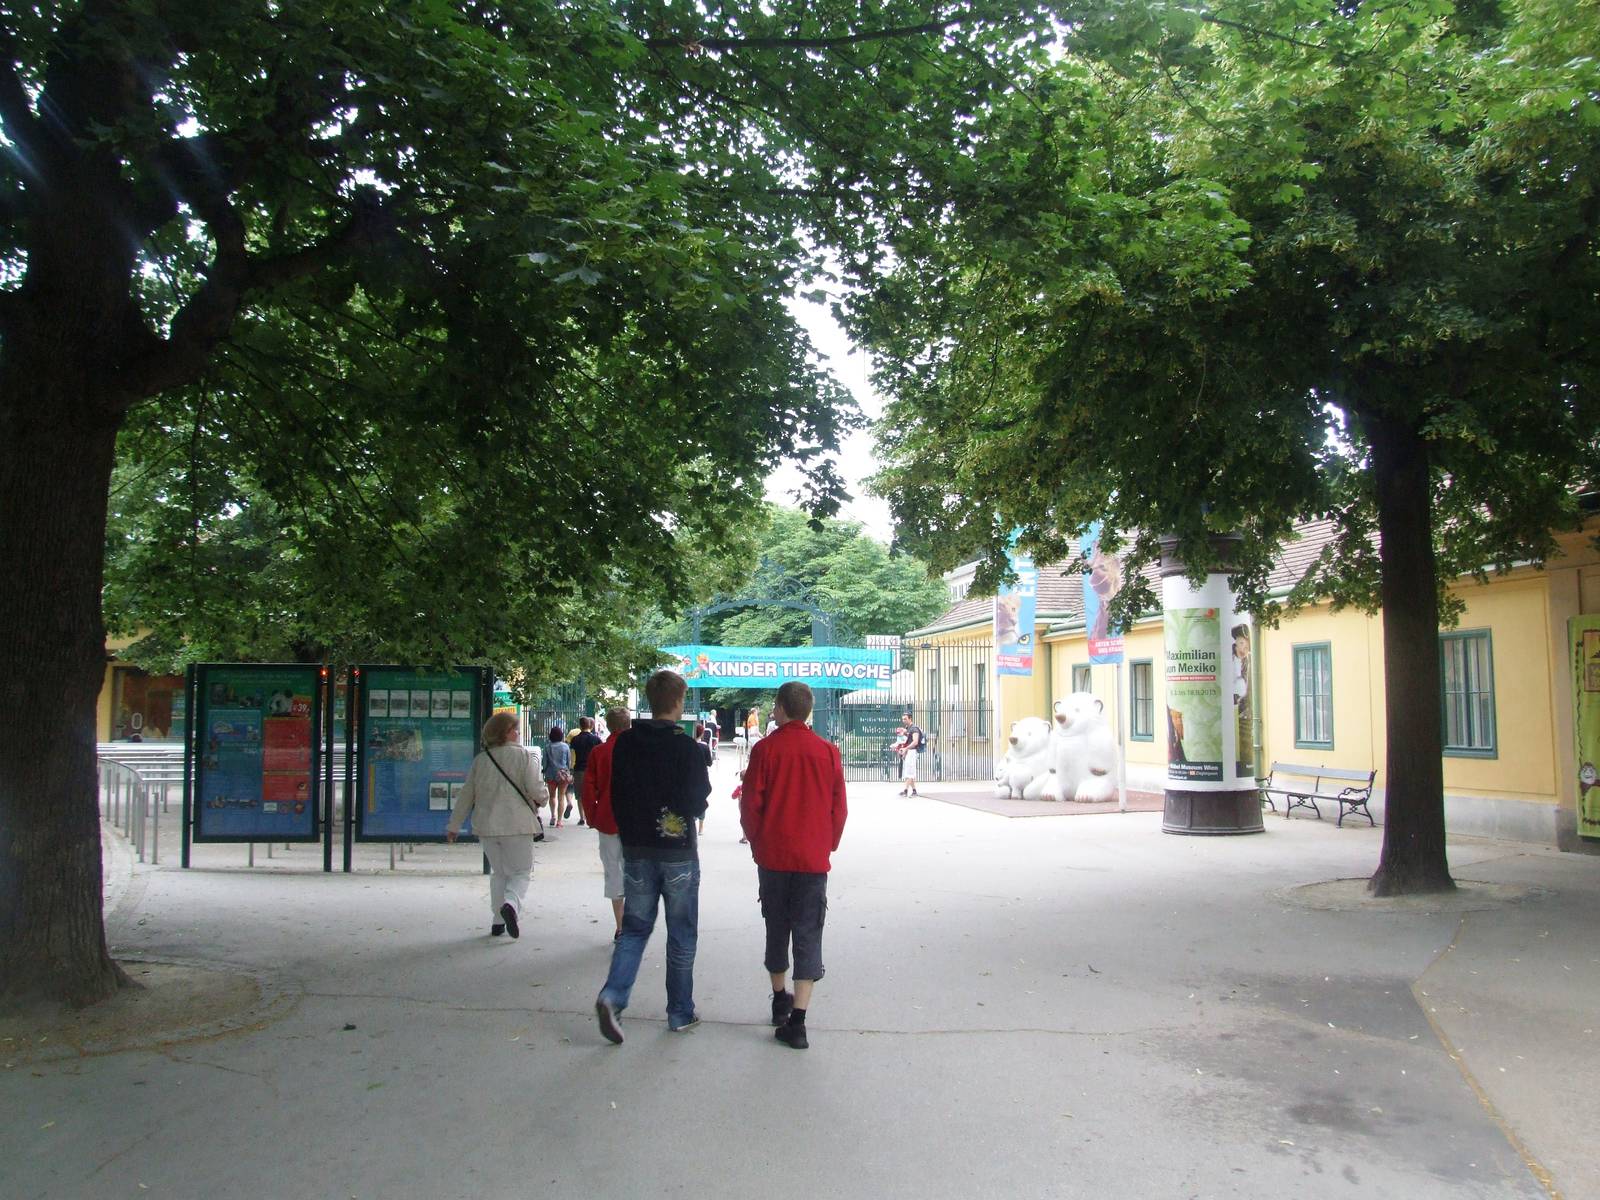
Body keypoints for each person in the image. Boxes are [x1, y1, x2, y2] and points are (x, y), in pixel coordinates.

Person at [595, 670, 712, 1043]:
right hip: (677, 852)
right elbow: (697, 801)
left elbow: (616, 794)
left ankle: (613, 995)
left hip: (637, 849)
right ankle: (679, 1011)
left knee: (634, 929)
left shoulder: (626, 743)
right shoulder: (687, 748)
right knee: (681, 933)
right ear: (679, 702)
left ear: (649, 700)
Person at [739, 681, 848, 1050]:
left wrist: (757, 843)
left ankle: (779, 999)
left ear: (781, 708)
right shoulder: (828, 752)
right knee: (808, 932)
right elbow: (839, 809)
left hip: (774, 858)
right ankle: (798, 1021)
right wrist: (826, 846)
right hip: (812, 861)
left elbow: (750, 804)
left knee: (776, 926)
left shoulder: (765, 750)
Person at [446, 711, 545, 939]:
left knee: (499, 873)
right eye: (515, 729)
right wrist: (544, 798)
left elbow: (467, 794)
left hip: (487, 825)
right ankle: (511, 904)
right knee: (520, 872)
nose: (518, 733)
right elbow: (536, 788)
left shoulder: (482, 760)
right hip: (518, 824)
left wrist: (454, 825)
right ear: (506, 732)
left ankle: (497, 921)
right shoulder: (524, 756)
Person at [580, 708, 631, 940]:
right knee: (637, 872)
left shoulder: (599, 752)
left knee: (613, 872)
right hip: (637, 822)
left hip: (608, 818)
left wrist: (592, 816)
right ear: (629, 724)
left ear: (609, 726)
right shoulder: (641, 751)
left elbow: (588, 790)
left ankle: (621, 926)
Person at [570, 716, 602, 827]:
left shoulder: (575, 739)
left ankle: (582, 817)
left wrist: (571, 769)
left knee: (580, 795)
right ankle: (592, 817)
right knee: (593, 794)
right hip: (593, 769)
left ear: (580, 725)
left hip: (579, 769)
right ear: (590, 725)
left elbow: (572, 757)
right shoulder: (596, 739)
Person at [544, 725, 572, 827]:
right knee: (561, 797)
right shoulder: (565, 746)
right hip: (563, 775)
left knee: (552, 796)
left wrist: (544, 770)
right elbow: (569, 762)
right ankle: (559, 822)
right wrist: (567, 771)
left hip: (550, 774)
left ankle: (552, 816)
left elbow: (545, 762)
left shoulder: (547, 747)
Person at [898, 711, 925, 797]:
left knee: (909, 772)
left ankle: (905, 791)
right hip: (909, 752)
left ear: (910, 718)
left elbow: (915, 742)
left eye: (905, 719)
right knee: (909, 772)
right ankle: (914, 791)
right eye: (902, 719)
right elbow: (906, 740)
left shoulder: (914, 729)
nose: (903, 720)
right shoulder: (908, 728)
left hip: (912, 752)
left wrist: (906, 748)